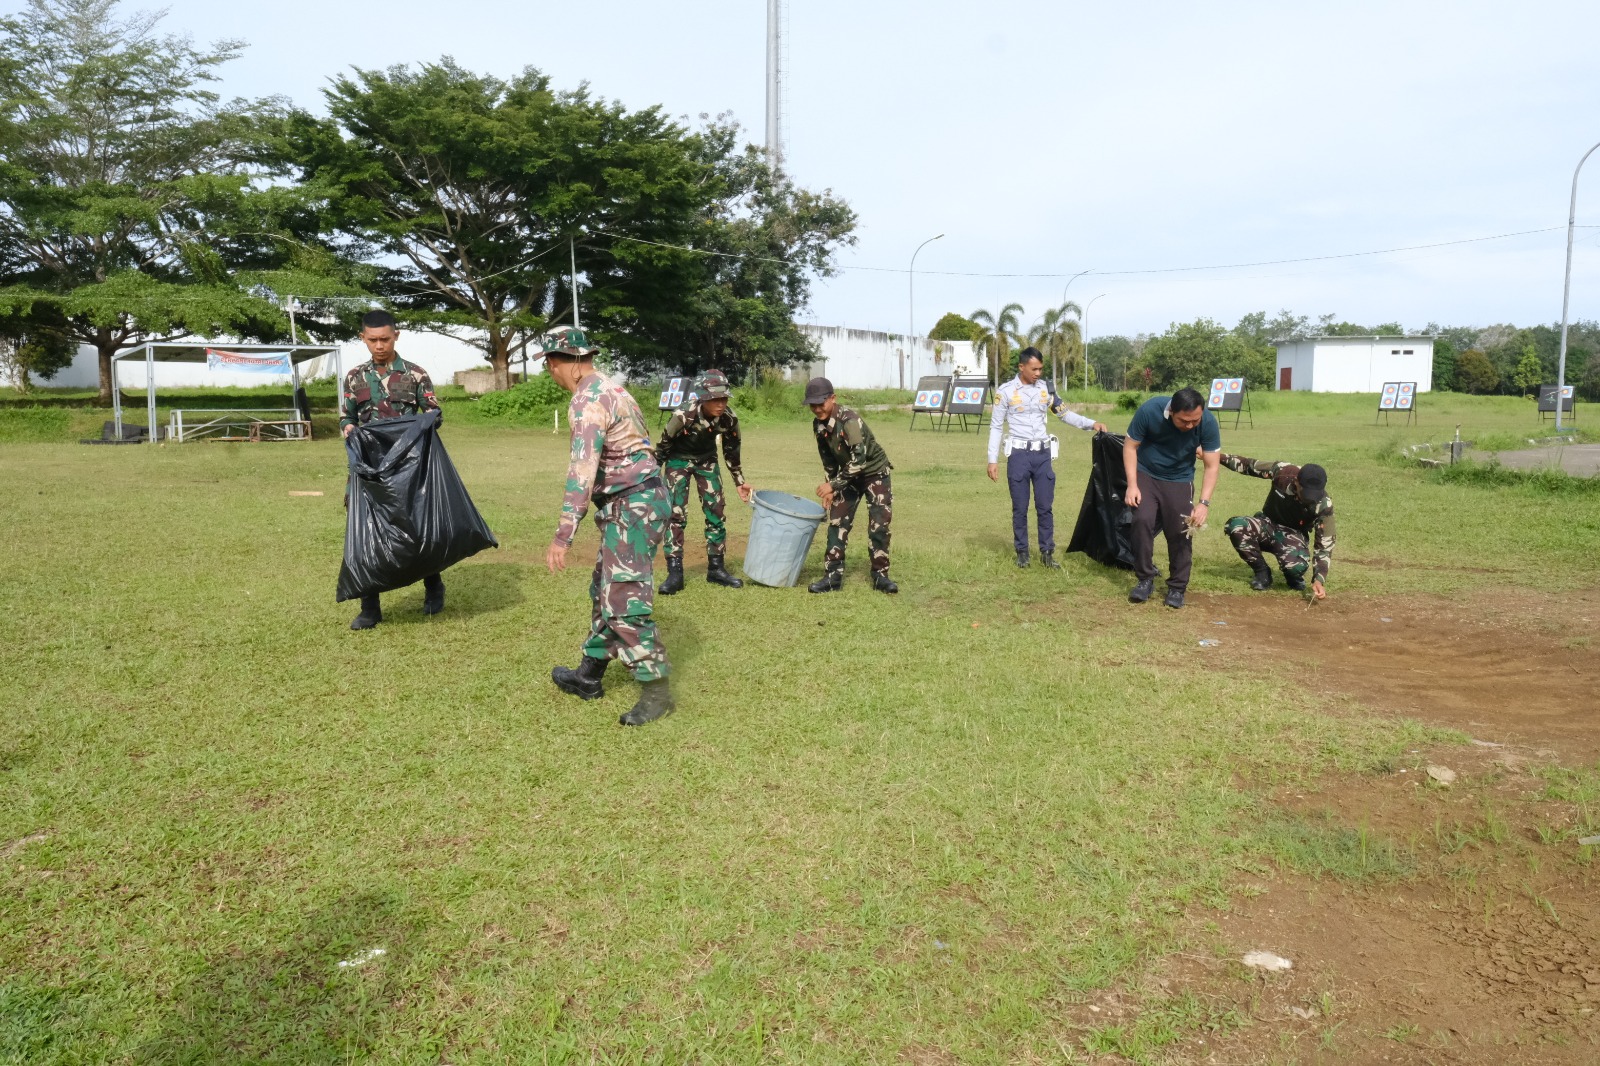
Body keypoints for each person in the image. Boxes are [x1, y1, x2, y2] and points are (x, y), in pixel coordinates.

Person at [541, 329, 674, 726]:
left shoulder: (587, 400)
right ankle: (590, 674)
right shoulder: (614, 389)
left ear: (558, 363)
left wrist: (563, 533)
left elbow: (583, 469)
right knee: (605, 586)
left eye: (552, 365)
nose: (552, 371)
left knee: (623, 598)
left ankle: (657, 691)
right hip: (638, 500)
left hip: (633, 506)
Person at [339, 309, 443, 630]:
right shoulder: (355, 377)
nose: (380, 345)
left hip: (408, 468)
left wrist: (426, 420)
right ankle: (370, 607)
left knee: (416, 529)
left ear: (396, 335)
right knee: (366, 533)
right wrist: (348, 429)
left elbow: (434, 413)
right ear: (363, 339)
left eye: (385, 339)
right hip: (369, 469)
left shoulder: (415, 374)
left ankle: (433, 588)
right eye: (373, 340)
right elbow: (347, 416)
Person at [987, 346, 1108, 568]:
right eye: (1034, 369)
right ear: (1021, 366)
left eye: (1041, 369)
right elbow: (996, 426)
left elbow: (1065, 414)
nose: (1038, 373)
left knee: (1045, 506)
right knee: (1020, 507)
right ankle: (1022, 552)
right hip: (1018, 455)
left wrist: (1092, 424)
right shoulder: (1005, 392)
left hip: (1042, 454)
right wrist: (992, 459)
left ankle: (1047, 553)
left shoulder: (1047, 391)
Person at [1121, 387, 1221, 609]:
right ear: (1171, 412)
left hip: (1180, 478)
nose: (1190, 426)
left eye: (1195, 421)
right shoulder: (1149, 410)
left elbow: (1212, 465)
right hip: (1146, 473)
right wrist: (1132, 485)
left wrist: (1204, 503)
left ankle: (1177, 587)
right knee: (1141, 521)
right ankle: (1145, 579)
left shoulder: (1207, 422)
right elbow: (1130, 447)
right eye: (1184, 421)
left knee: (1180, 530)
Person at [655, 369, 754, 594]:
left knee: (716, 512)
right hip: (677, 461)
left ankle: (716, 569)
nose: (720, 403)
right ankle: (675, 573)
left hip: (707, 460)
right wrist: (652, 477)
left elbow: (731, 450)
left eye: (724, 398)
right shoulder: (683, 415)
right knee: (675, 515)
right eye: (715, 398)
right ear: (702, 397)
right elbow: (662, 447)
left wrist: (739, 481)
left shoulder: (729, 418)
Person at [805, 377, 898, 594]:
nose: (817, 409)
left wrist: (833, 485)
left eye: (822, 403)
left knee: (879, 525)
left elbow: (859, 461)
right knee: (837, 521)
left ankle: (880, 576)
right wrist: (831, 486)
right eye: (813, 405)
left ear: (833, 398)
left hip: (874, 473)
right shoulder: (818, 425)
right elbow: (828, 458)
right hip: (848, 477)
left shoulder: (849, 421)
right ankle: (832, 577)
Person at [1218, 454, 1334, 600]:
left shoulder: (1324, 505)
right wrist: (1215, 456)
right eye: (1306, 493)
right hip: (1267, 523)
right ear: (1297, 482)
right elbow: (1249, 465)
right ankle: (1262, 572)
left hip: (1294, 534)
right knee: (1237, 526)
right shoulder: (1283, 472)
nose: (1310, 498)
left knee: (1296, 567)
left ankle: (1293, 577)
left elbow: (1324, 545)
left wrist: (1319, 579)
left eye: (1315, 494)